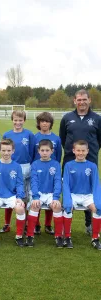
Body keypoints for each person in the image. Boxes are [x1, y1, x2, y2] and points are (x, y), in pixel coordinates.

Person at [59, 89, 101, 235]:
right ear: (74, 101)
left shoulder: (97, 119)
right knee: (68, 188)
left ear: (89, 100)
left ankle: (89, 224)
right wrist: (72, 152)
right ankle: (66, 222)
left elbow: (99, 140)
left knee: (89, 190)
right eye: (79, 99)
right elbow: (63, 139)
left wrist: (91, 152)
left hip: (90, 160)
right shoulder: (67, 118)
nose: (82, 102)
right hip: (71, 160)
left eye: (84, 99)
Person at [0, 110, 35, 233]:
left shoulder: (29, 135)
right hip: (10, 167)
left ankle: (25, 223)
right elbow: (4, 151)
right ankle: (7, 223)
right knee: (9, 193)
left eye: (20, 120)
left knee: (23, 195)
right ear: (12, 120)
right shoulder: (7, 134)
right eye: (15, 120)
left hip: (25, 167)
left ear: (24, 121)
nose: (18, 122)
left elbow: (32, 152)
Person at [0, 138, 26, 247]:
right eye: (3, 150)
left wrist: (19, 197)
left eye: (9, 150)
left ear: (13, 151)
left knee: (20, 208)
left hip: (12, 196)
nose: (6, 153)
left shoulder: (17, 166)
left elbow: (19, 183)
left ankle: (19, 236)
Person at [62, 140, 101, 250]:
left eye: (83, 151)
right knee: (68, 208)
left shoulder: (92, 166)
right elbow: (66, 184)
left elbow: (96, 184)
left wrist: (97, 200)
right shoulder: (68, 165)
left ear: (87, 151)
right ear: (73, 151)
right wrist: (67, 199)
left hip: (87, 195)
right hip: (73, 194)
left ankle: (95, 238)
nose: (80, 153)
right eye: (78, 150)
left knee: (97, 209)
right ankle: (67, 237)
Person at [25, 140, 63, 248]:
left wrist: (56, 197)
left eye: (47, 150)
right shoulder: (35, 164)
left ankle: (58, 236)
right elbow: (34, 182)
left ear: (52, 151)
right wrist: (36, 197)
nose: (45, 153)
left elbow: (57, 182)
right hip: (38, 193)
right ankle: (30, 235)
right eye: (42, 150)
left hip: (51, 193)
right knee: (34, 205)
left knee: (56, 207)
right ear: (38, 151)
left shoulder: (55, 164)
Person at [33, 112, 62, 235]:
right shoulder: (34, 137)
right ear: (39, 123)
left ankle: (48, 224)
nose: (44, 123)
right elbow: (31, 153)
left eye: (47, 121)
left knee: (50, 193)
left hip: (51, 170)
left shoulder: (56, 138)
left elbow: (59, 155)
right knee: (37, 195)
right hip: (37, 169)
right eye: (42, 121)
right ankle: (36, 224)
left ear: (51, 123)